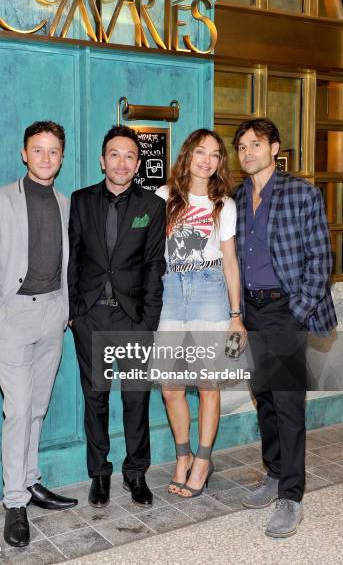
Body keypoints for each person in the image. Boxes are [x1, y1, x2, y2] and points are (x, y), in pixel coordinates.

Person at [0, 121, 78, 548]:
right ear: (24, 153)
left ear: (62, 157)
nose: (46, 158)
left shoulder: (64, 202)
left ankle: (31, 481)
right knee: (17, 411)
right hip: (13, 316)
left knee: (36, 407)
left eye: (54, 151)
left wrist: (65, 312)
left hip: (52, 315)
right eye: (39, 150)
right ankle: (14, 500)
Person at [233, 117, 337, 538]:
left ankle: (291, 496)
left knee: (289, 403)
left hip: (285, 310)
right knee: (266, 399)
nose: (247, 152)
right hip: (252, 312)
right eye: (241, 147)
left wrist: (297, 311)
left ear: (275, 148)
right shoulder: (237, 198)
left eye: (255, 144)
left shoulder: (302, 193)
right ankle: (274, 473)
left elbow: (321, 259)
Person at [68, 125, 166, 508]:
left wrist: (148, 323)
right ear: (102, 160)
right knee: (96, 400)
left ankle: (136, 473)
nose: (121, 162)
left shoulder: (151, 206)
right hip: (91, 318)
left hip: (133, 319)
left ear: (138, 162)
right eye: (114, 154)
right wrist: (76, 312)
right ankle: (100, 475)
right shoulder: (81, 201)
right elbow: (73, 259)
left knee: (136, 400)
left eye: (129, 155)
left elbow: (155, 267)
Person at [155, 129, 246, 498]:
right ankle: (183, 454)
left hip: (210, 290)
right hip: (173, 290)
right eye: (200, 152)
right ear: (187, 155)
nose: (207, 160)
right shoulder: (164, 197)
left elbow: (230, 262)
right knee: (170, 387)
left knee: (208, 385)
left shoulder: (224, 204)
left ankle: (204, 460)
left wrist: (236, 315)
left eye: (215, 154)